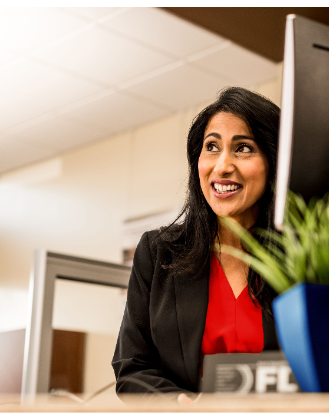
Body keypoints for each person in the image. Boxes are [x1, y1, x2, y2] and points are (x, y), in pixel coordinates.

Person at [112, 87, 280, 403]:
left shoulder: (303, 258)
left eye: (243, 148)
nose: (222, 166)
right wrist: (178, 405)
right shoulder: (158, 252)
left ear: (274, 164)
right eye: (211, 147)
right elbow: (132, 367)